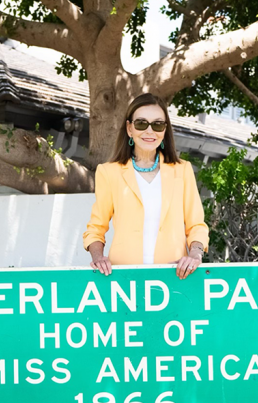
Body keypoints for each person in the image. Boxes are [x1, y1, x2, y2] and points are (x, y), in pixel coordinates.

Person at [83, 93, 209, 279]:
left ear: (165, 130)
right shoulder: (109, 172)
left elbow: (196, 225)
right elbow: (96, 228)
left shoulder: (182, 170)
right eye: (141, 123)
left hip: (174, 276)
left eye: (158, 124)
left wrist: (195, 254)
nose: (150, 131)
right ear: (129, 128)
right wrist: (98, 257)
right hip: (123, 277)